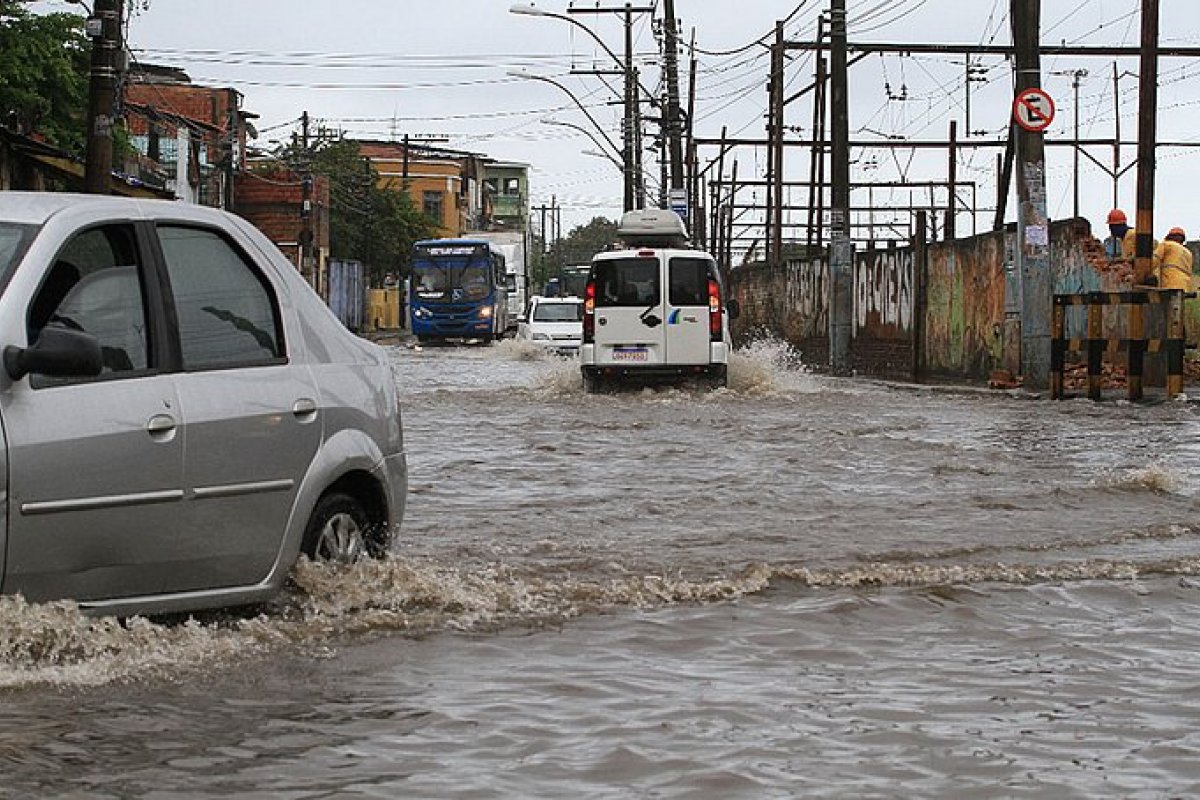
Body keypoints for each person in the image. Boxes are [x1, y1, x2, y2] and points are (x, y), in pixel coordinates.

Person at [1153, 226, 1194, 291]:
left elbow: (1154, 260)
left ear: (1169, 236)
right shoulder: (1188, 252)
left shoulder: (1166, 244)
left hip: (1170, 284)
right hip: (1185, 286)